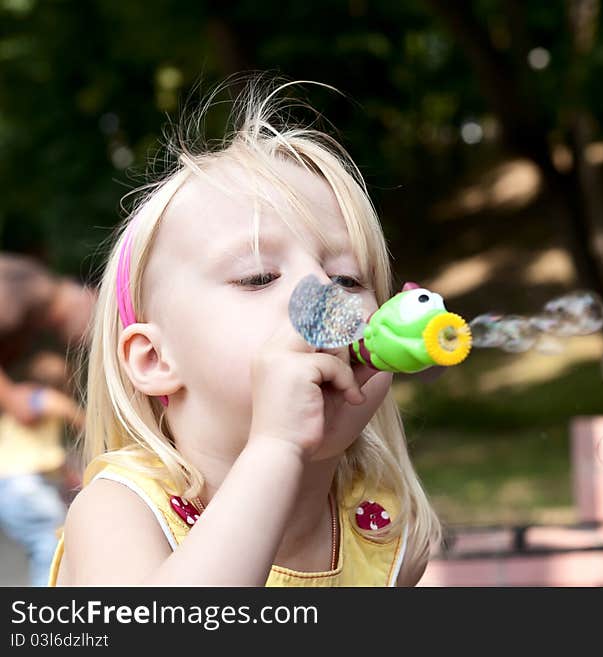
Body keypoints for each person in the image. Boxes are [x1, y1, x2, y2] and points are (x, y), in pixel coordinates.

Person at [48, 77, 442, 587]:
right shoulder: (119, 510)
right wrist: (275, 447)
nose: (322, 294)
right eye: (258, 277)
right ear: (154, 360)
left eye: (347, 278)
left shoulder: (389, 534)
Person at [0, 254, 93, 587]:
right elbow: (62, 411)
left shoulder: (31, 311)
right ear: (83, 297)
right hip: (18, 484)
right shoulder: (29, 291)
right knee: (50, 544)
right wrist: (11, 398)